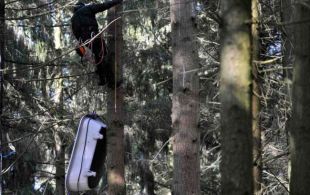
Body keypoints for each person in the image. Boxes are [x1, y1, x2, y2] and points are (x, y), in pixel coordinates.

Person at [71, 0, 123, 87]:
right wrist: (117, 1)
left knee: (98, 57)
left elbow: (76, 33)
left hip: (86, 41)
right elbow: (103, 6)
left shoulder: (73, 19)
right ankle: (111, 82)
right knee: (103, 56)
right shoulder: (87, 9)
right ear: (82, 6)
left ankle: (102, 79)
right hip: (95, 37)